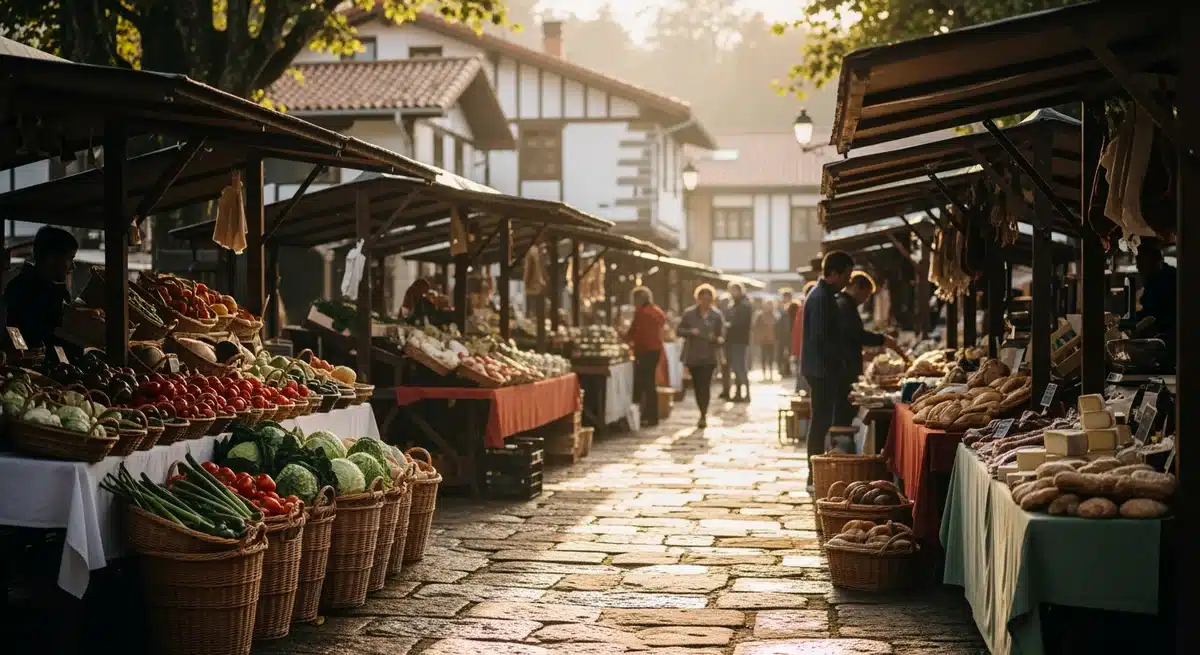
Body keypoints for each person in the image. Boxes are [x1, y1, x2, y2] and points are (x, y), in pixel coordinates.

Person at [801, 252, 856, 491]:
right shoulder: (822, 297)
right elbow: (821, 338)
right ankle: (814, 476)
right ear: (834, 273)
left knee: (820, 421)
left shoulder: (823, 294)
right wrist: (840, 362)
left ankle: (815, 473)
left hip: (819, 368)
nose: (848, 280)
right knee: (820, 422)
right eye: (846, 275)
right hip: (821, 369)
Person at [836, 272, 902, 424]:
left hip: (845, 364)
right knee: (844, 408)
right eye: (865, 295)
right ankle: (841, 440)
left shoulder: (845, 304)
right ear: (857, 287)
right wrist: (882, 339)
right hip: (844, 367)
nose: (865, 300)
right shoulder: (845, 305)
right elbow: (856, 334)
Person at [5, 226, 77, 349]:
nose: (73, 266)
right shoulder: (20, 290)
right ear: (51, 258)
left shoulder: (59, 292)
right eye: (70, 258)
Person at [679, 284, 725, 428]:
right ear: (698, 299)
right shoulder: (689, 314)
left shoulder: (716, 315)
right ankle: (702, 410)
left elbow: (722, 336)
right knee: (698, 386)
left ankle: (703, 414)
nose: (705, 302)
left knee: (705, 385)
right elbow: (679, 330)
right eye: (703, 299)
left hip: (709, 357)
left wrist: (716, 338)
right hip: (693, 356)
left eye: (708, 299)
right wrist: (690, 332)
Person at [626, 286, 666, 427]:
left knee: (645, 384)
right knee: (650, 384)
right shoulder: (657, 311)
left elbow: (636, 332)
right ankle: (650, 415)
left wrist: (626, 341)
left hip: (644, 352)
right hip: (655, 350)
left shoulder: (642, 313)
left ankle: (647, 416)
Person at [1134, 239, 1176, 351]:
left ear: (1155, 261)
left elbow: (1153, 314)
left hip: (1171, 340)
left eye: (1141, 264)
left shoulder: (1168, 281)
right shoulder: (1155, 279)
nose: (1138, 268)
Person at [724, 283, 753, 402]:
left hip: (739, 340)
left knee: (740, 367)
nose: (732, 293)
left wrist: (729, 324)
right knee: (736, 368)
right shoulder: (734, 305)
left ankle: (746, 393)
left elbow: (741, 323)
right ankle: (738, 393)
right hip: (732, 340)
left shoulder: (744, 305)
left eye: (734, 290)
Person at [791, 281, 816, 393]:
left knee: (801, 372)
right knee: (803, 373)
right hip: (805, 346)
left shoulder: (803, 308)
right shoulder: (806, 308)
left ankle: (800, 393)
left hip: (801, 346)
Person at [753, 300, 777, 381]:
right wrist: (757, 337)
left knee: (770, 358)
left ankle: (770, 374)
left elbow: (777, 328)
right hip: (763, 340)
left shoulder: (774, 315)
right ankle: (764, 375)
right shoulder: (761, 315)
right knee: (763, 358)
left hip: (771, 340)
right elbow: (756, 327)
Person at [775, 289, 794, 377]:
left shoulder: (793, 307)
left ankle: (787, 370)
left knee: (789, 353)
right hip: (781, 334)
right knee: (781, 353)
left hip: (790, 334)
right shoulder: (779, 307)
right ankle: (782, 370)